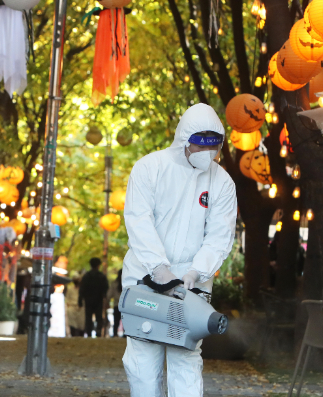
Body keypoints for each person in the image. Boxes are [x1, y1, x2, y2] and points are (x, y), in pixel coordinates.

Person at [121, 103, 237, 397]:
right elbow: (138, 219)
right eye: (200, 146)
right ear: (184, 140)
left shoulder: (222, 182)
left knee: (185, 355)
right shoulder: (150, 168)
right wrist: (159, 269)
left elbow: (219, 236)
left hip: (192, 284)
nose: (207, 154)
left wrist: (197, 271)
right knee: (143, 358)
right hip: (145, 278)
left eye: (214, 147)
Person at [78, 258, 109, 337]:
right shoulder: (101, 276)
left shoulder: (86, 276)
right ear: (98, 265)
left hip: (88, 300)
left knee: (88, 317)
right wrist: (106, 300)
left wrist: (80, 300)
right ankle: (98, 332)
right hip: (99, 300)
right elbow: (106, 289)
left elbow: (82, 289)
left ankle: (88, 333)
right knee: (99, 317)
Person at [65, 272, 85, 337]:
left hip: (81, 307)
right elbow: (67, 299)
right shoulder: (70, 288)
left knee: (82, 322)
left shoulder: (83, 289)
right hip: (72, 307)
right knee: (71, 319)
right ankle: (73, 333)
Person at [107, 269, 123, 337]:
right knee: (126, 321)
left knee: (116, 321)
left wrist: (107, 301)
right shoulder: (128, 283)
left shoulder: (114, 283)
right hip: (126, 306)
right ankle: (126, 335)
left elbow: (109, 294)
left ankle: (115, 334)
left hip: (117, 304)